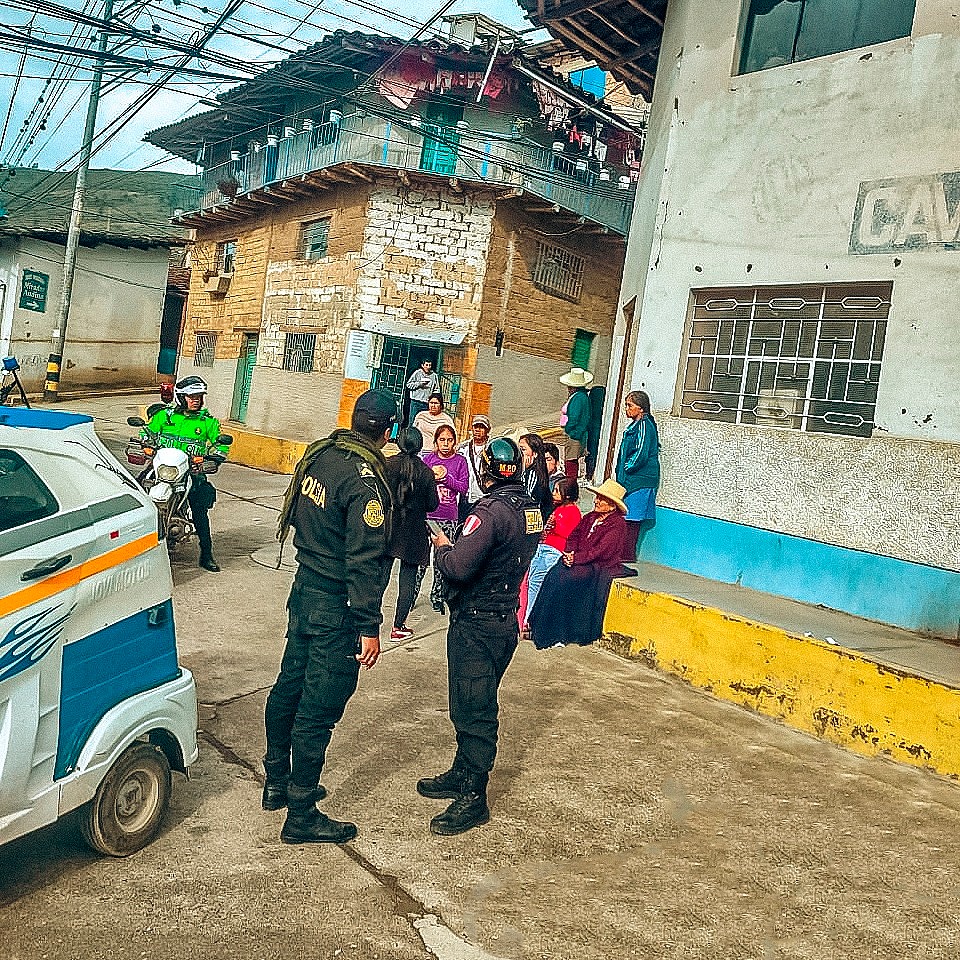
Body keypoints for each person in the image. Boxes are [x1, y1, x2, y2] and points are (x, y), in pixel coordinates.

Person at [262, 389, 397, 845]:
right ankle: (301, 813)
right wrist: (368, 626)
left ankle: (276, 782)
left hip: (305, 591)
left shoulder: (320, 457)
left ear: (355, 419)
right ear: (388, 430)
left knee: (289, 688)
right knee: (318, 708)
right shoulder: (364, 481)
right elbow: (364, 558)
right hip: (335, 606)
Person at [418, 437, 543, 835]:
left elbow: (458, 566)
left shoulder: (488, 513)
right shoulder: (529, 508)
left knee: (475, 710)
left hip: (477, 622)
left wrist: (442, 547)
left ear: (485, 470)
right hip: (503, 618)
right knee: (471, 701)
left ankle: (474, 795)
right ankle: (461, 771)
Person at [528, 479, 629, 650]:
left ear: (612, 505)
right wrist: (569, 553)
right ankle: (539, 626)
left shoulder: (617, 525)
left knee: (567, 580)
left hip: (597, 565)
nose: (596, 501)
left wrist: (576, 558)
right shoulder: (590, 517)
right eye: (597, 497)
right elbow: (574, 536)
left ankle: (561, 632)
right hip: (577, 558)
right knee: (553, 575)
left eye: (601, 499)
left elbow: (601, 551)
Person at [143, 375, 229, 572]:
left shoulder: (207, 422)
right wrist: (146, 445)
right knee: (136, 492)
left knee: (200, 510)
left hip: (192, 472)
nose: (196, 400)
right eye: (191, 396)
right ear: (181, 397)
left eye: (199, 396)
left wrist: (213, 458)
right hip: (161, 470)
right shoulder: (164, 416)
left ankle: (206, 554)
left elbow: (220, 445)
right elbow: (147, 433)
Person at [385, 428, 439, 641]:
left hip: (389, 526)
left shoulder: (388, 465)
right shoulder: (426, 472)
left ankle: (366, 625)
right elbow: (432, 505)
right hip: (414, 530)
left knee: (380, 577)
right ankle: (398, 626)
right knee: (407, 581)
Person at [518, 477, 581, 634]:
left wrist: (554, 525)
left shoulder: (573, 512)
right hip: (543, 547)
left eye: (557, 491)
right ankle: (526, 617)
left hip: (555, 550)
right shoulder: (558, 509)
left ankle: (529, 619)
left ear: (566, 495)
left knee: (537, 581)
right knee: (532, 580)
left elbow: (569, 534)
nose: (554, 494)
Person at [422, 424, 469, 613]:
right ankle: (411, 595)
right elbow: (421, 483)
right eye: (442, 440)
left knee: (442, 559)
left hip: (449, 517)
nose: (445, 444)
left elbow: (463, 487)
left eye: (449, 440)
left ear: (454, 442)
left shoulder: (460, 462)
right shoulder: (428, 460)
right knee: (421, 560)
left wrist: (446, 478)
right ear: (435, 442)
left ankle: (438, 595)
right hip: (428, 516)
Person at [615, 389, 661, 562]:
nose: (626, 409)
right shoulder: (635, 424)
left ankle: (627, 554)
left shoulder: (644, 425)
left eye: (630, 405)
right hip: (632, 479)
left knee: (632, 518)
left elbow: (640, 454)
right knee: (627, 516)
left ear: (641, 408)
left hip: (639, 479)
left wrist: (625, 469)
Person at [559, 366, 593, 480]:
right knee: (572, 460)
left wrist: (569, 430)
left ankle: (570, 484)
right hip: (578, 433)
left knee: (570, 461)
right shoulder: (582, 396)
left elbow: (574, 418)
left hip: (575, 434)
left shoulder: (578, 398)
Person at [456, 413, 491, 519]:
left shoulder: (491, 449)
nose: (478, 430)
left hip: (483, 497)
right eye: (476, 427)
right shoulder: (462, 448)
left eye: (481, 427)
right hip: (464, 496)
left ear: (487, 430)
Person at [518, 432, 553, 523]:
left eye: (523, 449)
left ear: (535, 454)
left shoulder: (533, 474)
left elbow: (527, 497)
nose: (519, 453)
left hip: (531, 519)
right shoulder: (533, 471)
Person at [405, 358, 439, 424]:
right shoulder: (417, 373)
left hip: (426, 403)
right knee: (413, 421)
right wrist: (419, 384)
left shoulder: (434, 376)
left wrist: (433, 399)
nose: (428, 367)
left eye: (430, 365)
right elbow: (408, 385)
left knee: (423, 422)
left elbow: (437, 389)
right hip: (416, 402)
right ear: (422, 365)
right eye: (426, 365)